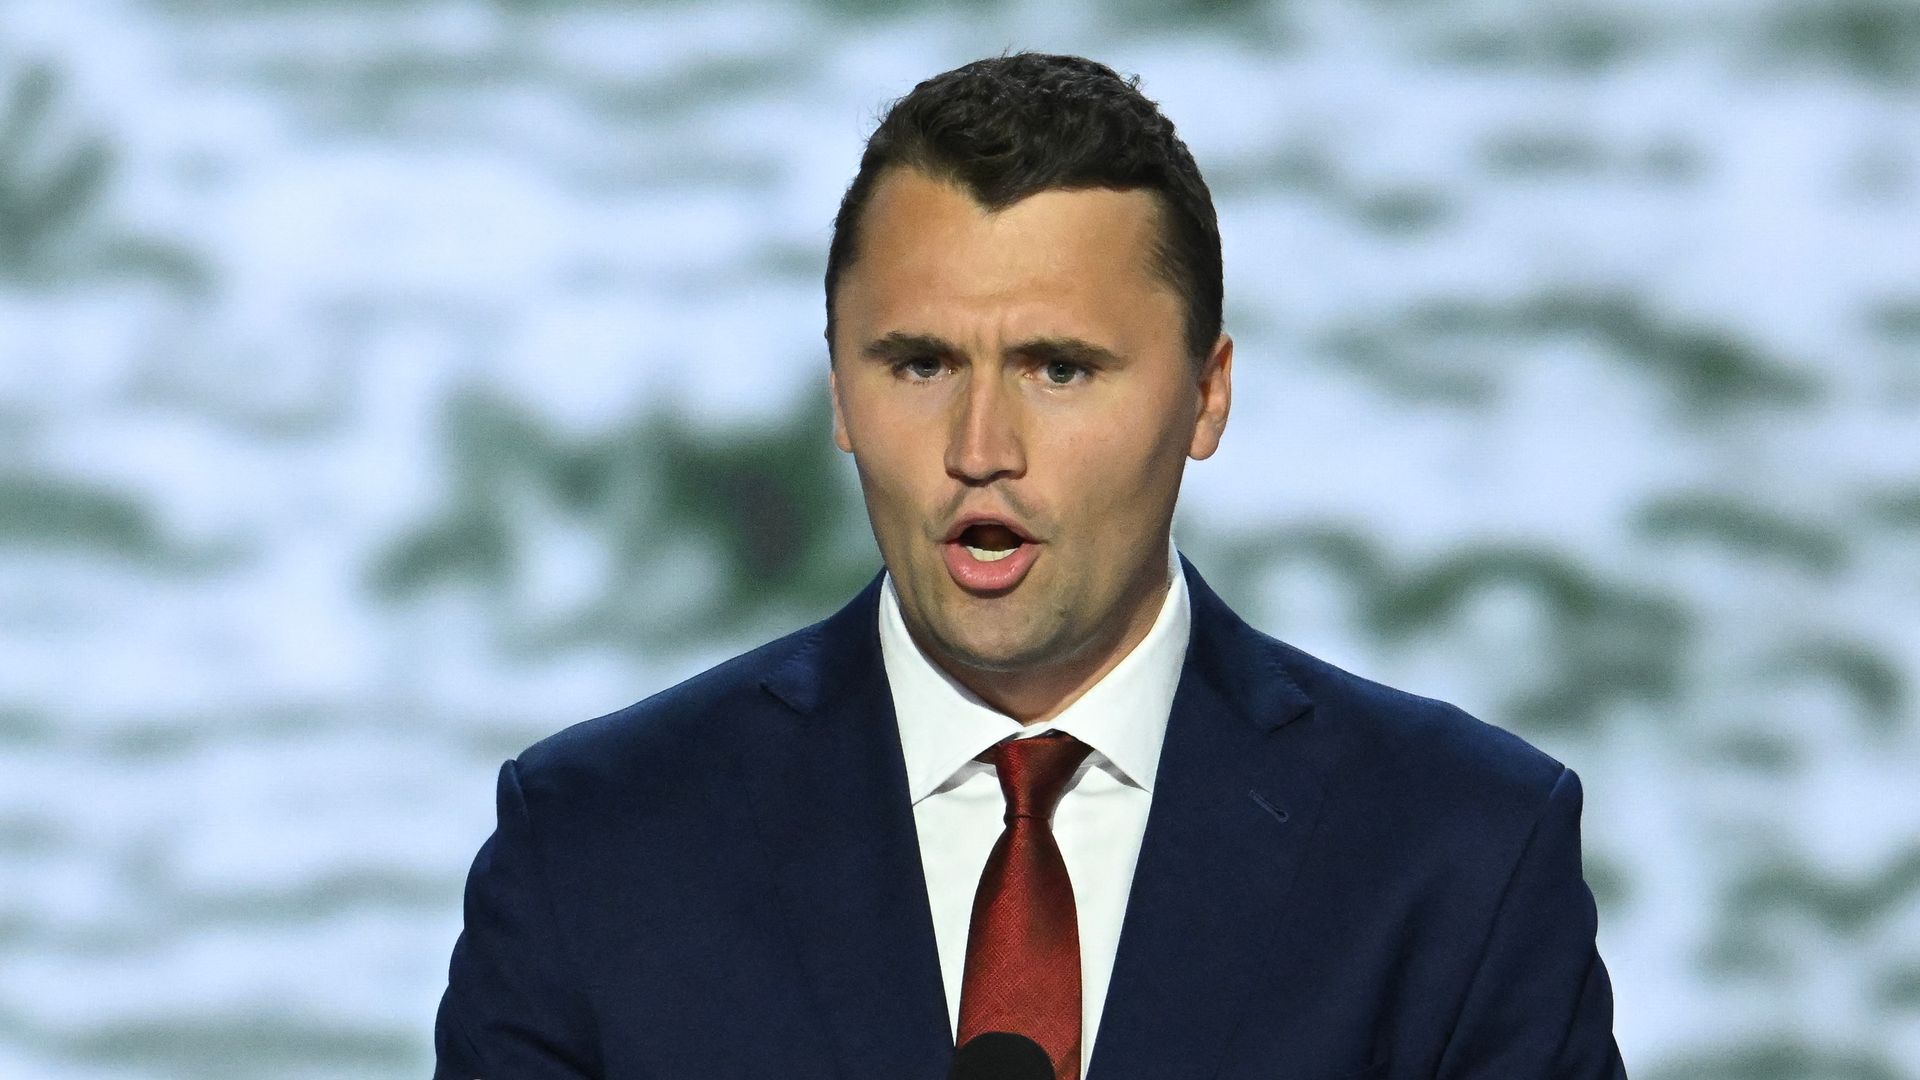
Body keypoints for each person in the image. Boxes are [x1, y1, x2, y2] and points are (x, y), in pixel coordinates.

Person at [432, 52, 1627, 1080]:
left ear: (1207, 396)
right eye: (919, 365)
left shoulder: (1460, 857)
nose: (980, 451)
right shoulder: (594, 849)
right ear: (840, 390)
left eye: (1059, 368)